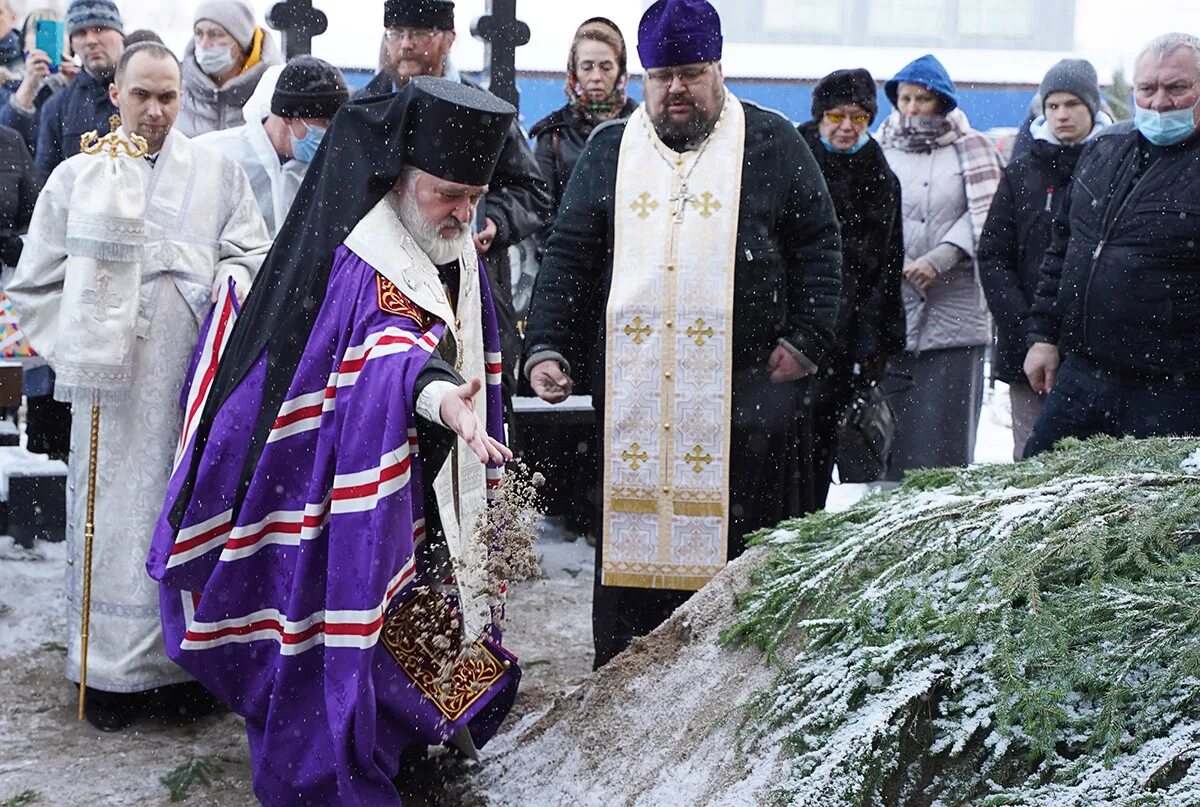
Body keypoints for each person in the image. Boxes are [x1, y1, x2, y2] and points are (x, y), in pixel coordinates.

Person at [148, 76, 520, 806]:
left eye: (474, 196)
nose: (463, 212)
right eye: (449, 194)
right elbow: (385, 348)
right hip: (336, 470)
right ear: (405, 181)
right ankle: (340, 762)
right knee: (345, 626)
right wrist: (443, 397)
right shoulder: (368, 252)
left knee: (424, 604)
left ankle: (414, 739)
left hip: (424, 466)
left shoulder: (447, 236)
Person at [524, 0, 842, 668]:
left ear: (719, 68)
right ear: (642, 76)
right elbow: (569, 256)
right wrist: (548, 346)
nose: (676, 89)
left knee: (740, 563)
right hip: (634, 401)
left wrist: (808, 336)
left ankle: (730, 690)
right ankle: (622, 679)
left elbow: (819, 245)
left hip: (748, 400)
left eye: (691, 72)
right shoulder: (610, 150)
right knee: (630, 567)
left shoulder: (773, 143)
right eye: (662, 75)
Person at [7, 41, 270, 731]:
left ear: (181, 98)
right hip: (110, 397)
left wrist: (226, 285)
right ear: (116, 95)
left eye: (168, 96)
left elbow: (252, 253)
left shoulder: (217, 175)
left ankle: (185, 668)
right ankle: (111, 673)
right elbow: (34, 284)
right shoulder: (75, 177)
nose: (155, 110)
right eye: (142, 95)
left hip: (189, 388)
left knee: (182, 513)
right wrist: (86, 340)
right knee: (115, 521)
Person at [355, 0, 550, 419]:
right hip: (384, 291)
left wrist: (494, 220)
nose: (405, 46)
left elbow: (532, 192)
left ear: (448, 39)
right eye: (396, 34)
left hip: (469, 286)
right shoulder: (365, 109)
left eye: (419, 34)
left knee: (479, 404)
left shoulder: (484, 111)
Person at [1023, 33, 1200, 455]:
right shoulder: (1103, 148)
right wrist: (1043, 336)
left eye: (1177, 88)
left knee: (1147, 515)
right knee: (1037, 495)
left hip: (1172, 391)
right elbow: (1062, 248)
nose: (1159, 102)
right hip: (1081, 373)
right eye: (1147, 88)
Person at [524, 17, 638, 544]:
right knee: (567, 399)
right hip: (571, 278)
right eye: (586, 66)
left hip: (630, 275)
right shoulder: (549, 136)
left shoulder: (642, 130)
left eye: (605, 66)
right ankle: (571, 512)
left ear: (621, 73)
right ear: (573, 70)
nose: (596, 76)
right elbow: (542, 210)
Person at [877, 54, 1003, 479]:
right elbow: (866, 215)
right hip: (893, 308)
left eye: (922, 100)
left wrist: (943, 256)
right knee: (887, 439)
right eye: (905, 99)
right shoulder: (880, 149)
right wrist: (897, 259)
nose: (911, 109)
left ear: (942, 103)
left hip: (955, 307)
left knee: (943, 441)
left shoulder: (974, 149)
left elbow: (989, 212)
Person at [978, 60, 1107, 460]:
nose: (1062, 115)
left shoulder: (1112, 165)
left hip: (1097, 350)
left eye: (1072, 104)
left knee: (1096, 464)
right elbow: (994, 257)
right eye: (1052, 105)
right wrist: (1029, 332)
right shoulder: (1021, 172)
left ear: (1093, 107)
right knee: (1032, 461)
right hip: (1027, 351)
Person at [797, 68, 905, 507]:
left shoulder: (880, 176)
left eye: (858, 118)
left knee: (823, 441)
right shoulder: (795, 160)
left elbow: (887, 266)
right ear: (820, 116)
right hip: (790, 325)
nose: (846, 127)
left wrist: (877, 345)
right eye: (837, 115)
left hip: (844, 337)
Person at [198, 56, 348, 236]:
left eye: (336, 123)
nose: (331, 134)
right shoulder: (215, 156)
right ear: (287, 117)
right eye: (323, 122)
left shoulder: (330, 172)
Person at [31, 0, 122, 180]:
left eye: (99, 29)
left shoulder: (145, 93)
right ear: (72, 43)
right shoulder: (57, 107)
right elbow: (46, 182)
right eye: (81, 33)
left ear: (120, 34)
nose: (91, 41)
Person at [177, 0, 282, 137]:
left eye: (215, 34)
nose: (204, 43)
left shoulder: (271, 91)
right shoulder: (177, 89)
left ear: (240, 43)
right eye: (198, 33)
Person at [1, 8, 77, 155]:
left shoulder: (80, 85)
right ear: (24, 45)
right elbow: (5, 141)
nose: (48, 38)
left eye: (57, 32)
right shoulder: (6, 86)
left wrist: (75, 87)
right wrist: (28, 85)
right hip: (23, 174)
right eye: (39, 30)